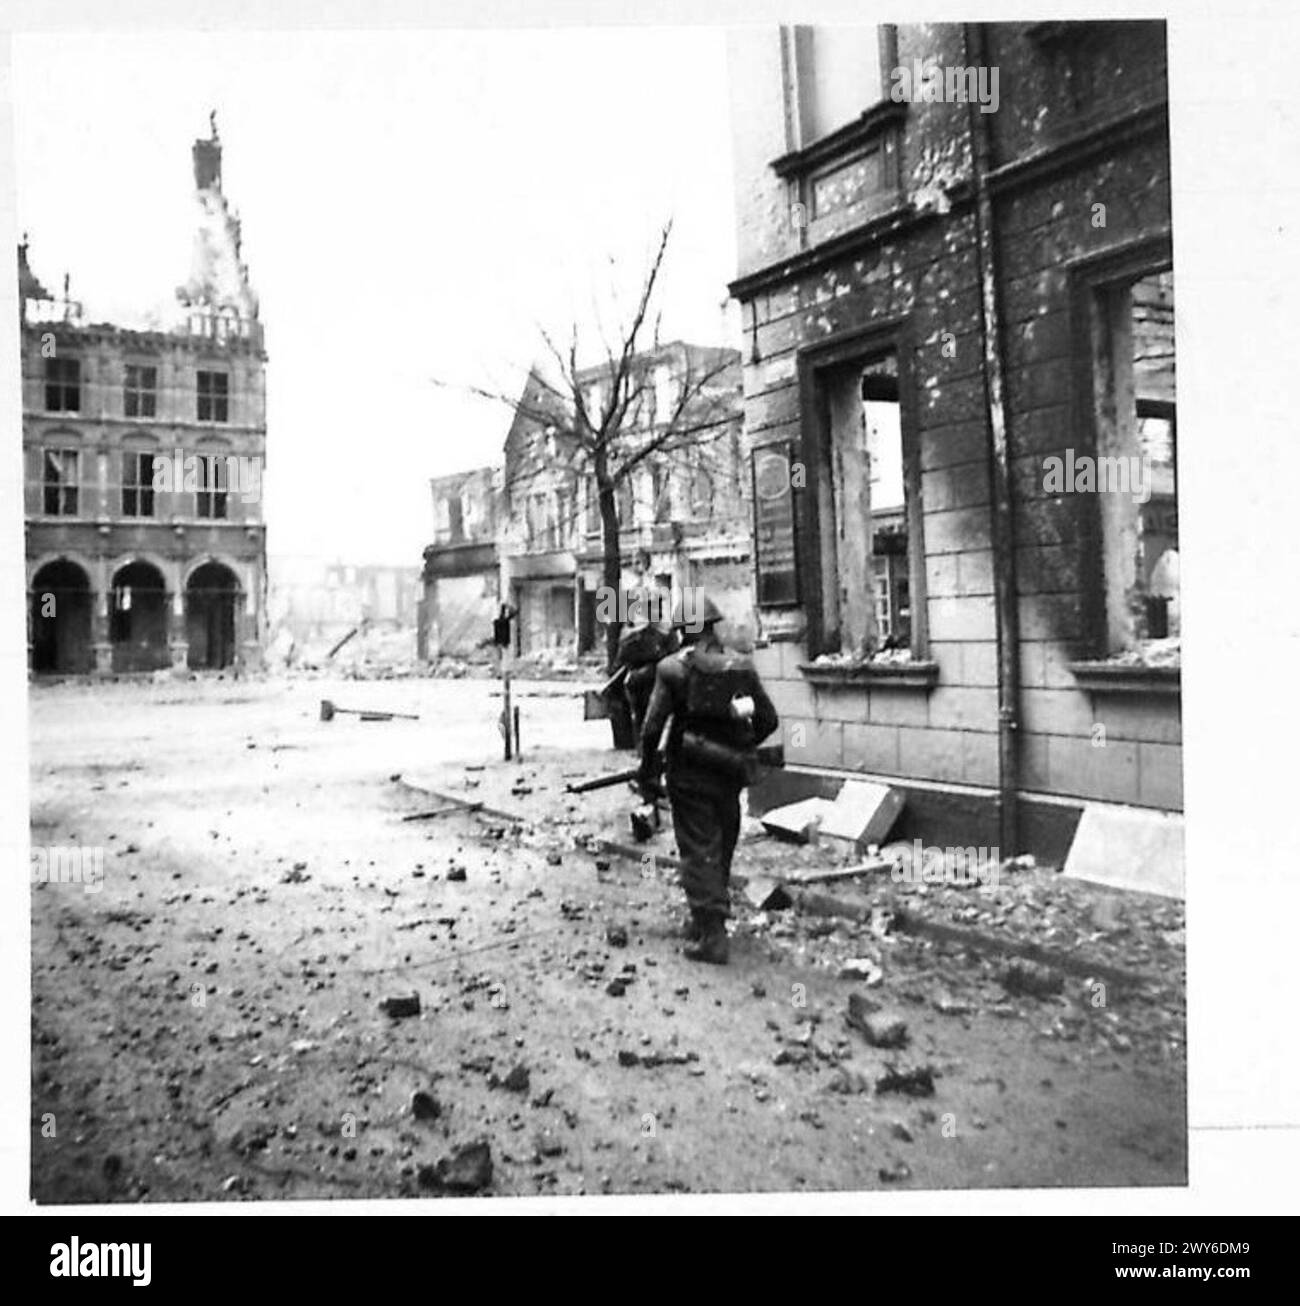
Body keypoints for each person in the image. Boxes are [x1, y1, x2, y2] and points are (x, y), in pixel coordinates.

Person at [636, 592, 778, 964]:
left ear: (684, 630)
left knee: (698, 848)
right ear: (713, 627)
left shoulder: (672, 669)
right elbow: (768, 721)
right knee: (722, 842)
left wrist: (647, 770)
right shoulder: (740, 666)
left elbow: (652, 729)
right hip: (729, 773)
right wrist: (738, 745)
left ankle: (712, 936)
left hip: (688, 772)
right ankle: (705, 920)